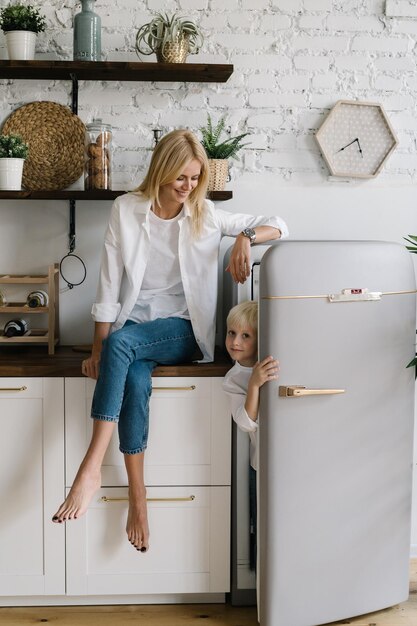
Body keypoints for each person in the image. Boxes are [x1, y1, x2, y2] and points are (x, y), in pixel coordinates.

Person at [52, 129, 288, 553]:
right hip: (134, 330)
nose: (189, 187)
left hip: (183, 331)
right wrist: (95, 350)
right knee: (134, 380)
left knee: (121, 346)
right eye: (182, 178)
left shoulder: (206, 215)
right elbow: (107, 285)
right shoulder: (126, 210)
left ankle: (90, 468)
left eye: (196, 179)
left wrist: (244, 238)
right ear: (161, 171)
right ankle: (137, 497)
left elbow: (280, 224)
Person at [222, 300, 279, 568]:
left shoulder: (274, 365)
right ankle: (261, 583)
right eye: (232, 333)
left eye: (246, 335)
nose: (236, 341)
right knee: (261, 525)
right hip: (261, 464)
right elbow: (245, 422)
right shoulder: (233, 379)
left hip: (287, 463)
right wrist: (254, 384)